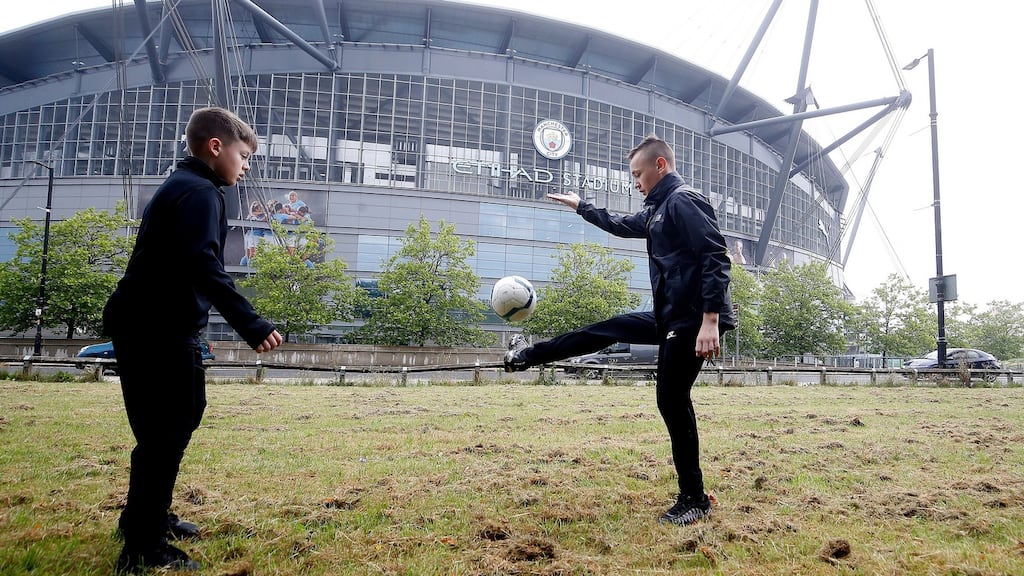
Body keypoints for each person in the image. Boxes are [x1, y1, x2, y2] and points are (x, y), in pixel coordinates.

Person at [504, 134, 734, 527]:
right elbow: (620, 224)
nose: (635, 182)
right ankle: (527, 356)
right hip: (671, 317)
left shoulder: (683, 201)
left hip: (693, 319)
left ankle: (694, 498)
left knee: (671, 399)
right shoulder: (658, 210)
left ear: (660, 166)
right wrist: (582, 207)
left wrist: (710, 320)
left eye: (638, 173)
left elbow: (716, 254)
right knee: (609, 328)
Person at [103, 107, 284, 573]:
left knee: (161, 431)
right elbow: (204, 266)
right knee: (168, 430)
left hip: (143, 324)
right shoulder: (202, 193)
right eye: (244, 156)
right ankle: (143, 546)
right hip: (158, 329)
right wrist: (253, 324)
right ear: (216, 147)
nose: (246, 166)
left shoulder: (181, 186)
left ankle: (143, 519)